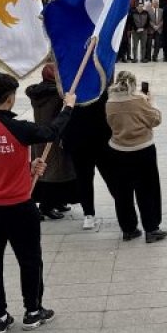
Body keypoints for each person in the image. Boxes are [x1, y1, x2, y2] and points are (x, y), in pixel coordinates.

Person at [0, 73, 74, 333]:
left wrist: (27, 167)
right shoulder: (18, 128)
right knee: (29, 259)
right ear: (10, 98)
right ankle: (33, 310)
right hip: (18, 205)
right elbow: (51, 132)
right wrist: (68, 107)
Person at [104, 71, 166, 243]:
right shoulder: (139, 100)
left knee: (122, 193)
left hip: (118, 150)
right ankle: (151, 228)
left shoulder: (110, 102)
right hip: (142, 149)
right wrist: (151, 101)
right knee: (148, 190)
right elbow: (155, 119)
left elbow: (110, 124)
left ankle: (129, 229)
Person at [26, 65, 79, 220]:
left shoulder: (37, 93)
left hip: (40, 135)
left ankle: (58, 201)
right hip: (54, 136)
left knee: (51, 172)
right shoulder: (56, 94)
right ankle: (46, 206)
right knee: (53, 174)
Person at [66, 91, 111, 231]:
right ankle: (124, 211)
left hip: (82, 142)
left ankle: (89, 214)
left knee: (84, 180)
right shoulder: (100, 90)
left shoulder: (71, 91)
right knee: (110, 178)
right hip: (100, 141)